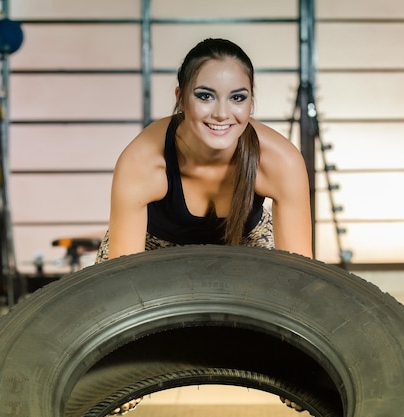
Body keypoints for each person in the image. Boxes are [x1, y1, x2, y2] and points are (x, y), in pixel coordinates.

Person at [96, 38, 312, 415]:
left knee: (306, 366)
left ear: (251, 102)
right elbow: (122, 284)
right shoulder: (143, 161)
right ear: (180, 98)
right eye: (206, 96)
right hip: (153, 246)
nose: (222, 114)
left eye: (238, 97)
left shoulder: (280, 161)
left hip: (243, 244)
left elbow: (301, 276)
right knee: (108, 368)